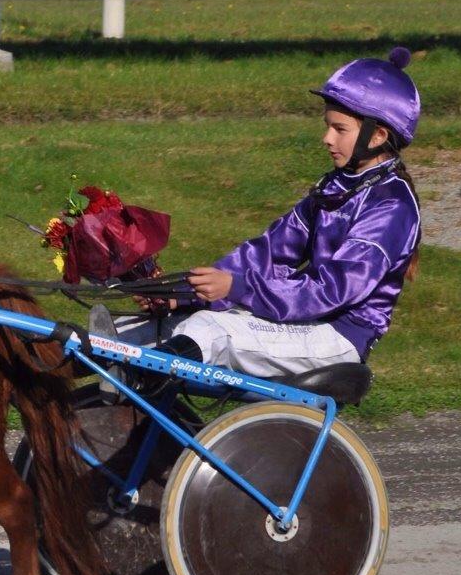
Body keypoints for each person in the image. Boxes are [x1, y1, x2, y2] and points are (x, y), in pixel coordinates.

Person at [120, 48, 422, 379]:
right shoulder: (336, 185)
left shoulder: (391, 205)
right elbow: (269, 252)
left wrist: (236, 288)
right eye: (327, 126)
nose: (326, 138)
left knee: (210, 331)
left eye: (339, 129)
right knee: (137, 328)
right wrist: (184, 294)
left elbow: (332, 290)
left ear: (377, 135)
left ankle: (143, 384)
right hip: (305, 322)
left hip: (339, 336)